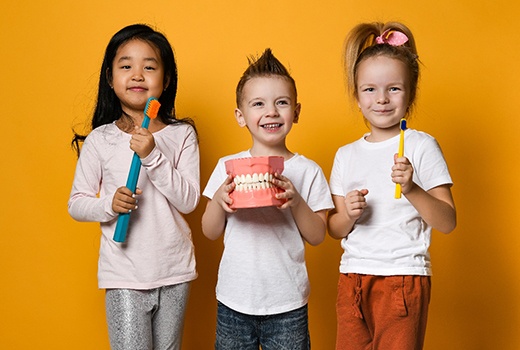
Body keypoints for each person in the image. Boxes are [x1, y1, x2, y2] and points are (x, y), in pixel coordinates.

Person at [68, 24, 199, 350]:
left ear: (165, 80)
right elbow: (77, 203)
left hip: (174, 271)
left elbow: (189, 201)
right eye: (126, 66)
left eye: (149, 67)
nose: (138, 75)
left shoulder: (182, 135)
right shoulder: (101, 139)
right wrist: (109, 205)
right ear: (111, 79)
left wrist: (153, 155)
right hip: (124, 273)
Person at [328, 22, 457, 350]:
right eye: (369, 89)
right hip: (352, 278)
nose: (381, 99)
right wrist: (351, 215)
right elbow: (335, 228)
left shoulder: (421, 146)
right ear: (357, 96)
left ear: (410, 92)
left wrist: (412, 188)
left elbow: (447, 221)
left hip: (403, 276)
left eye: (394, 89)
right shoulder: (346, 155)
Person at [201, 48, 334, 350]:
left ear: (296, 112)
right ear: (240, 115)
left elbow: (317, 235)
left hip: (287, 302)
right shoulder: (226, 167)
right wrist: (219, 200)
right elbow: (209, 231)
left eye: (281, 103)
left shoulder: (307, 170)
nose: (271, 112)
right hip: (234, 301)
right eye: (258, 104)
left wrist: (296, 200)